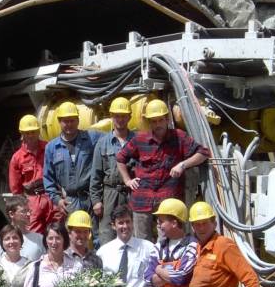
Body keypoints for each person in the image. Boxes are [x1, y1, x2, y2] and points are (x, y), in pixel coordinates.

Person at [115, 99, 210, 241]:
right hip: (142, 200)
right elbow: (120, 158)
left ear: (167, 119)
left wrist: (183, 164)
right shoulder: (140, 139)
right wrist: (127, 180)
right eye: (153, 121)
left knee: (167, 240)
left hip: (168, 201)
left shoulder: (179, 137)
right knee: (141, 242)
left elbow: (203, 153)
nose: (157, 124)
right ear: (149, 122)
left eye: (160, 120)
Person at [43, 101, 101, 223]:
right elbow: (48, 178)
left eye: (72, 120)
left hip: (91, 199)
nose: (69, 124)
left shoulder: (92, 137)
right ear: (59, 122)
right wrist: (57, 200)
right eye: (65, 121)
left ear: (78, 121)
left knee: (96, 238)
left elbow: (114, 137)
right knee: (74, 237)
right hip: (70, 201)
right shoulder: (52, 147)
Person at [90, 97, 135, 245]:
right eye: (117, 116)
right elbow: (95, 175)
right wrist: (96, 201)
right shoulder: (102, 143)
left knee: (132, 232)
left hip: (132, 193)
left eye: (123, 116)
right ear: (111, 117)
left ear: (130, 117)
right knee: (107, 235)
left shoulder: (138, 140)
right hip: (110, 194)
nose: (120, 120)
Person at [8, 114, 53, 234]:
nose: (30, 135)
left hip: (51, 197)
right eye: (27, 133)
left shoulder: (50, 148)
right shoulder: (17, 158)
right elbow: (16, 190)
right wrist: (23, 209)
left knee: (56, 232)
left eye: (33, 132)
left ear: (38, 132)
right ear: (22, 134)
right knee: (33, 234)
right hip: (32, 201)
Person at [0, 195, 44, 263]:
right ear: (11, 214)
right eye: (24, 211)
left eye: (29, 211)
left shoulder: (39, 239)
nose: (28, 214)